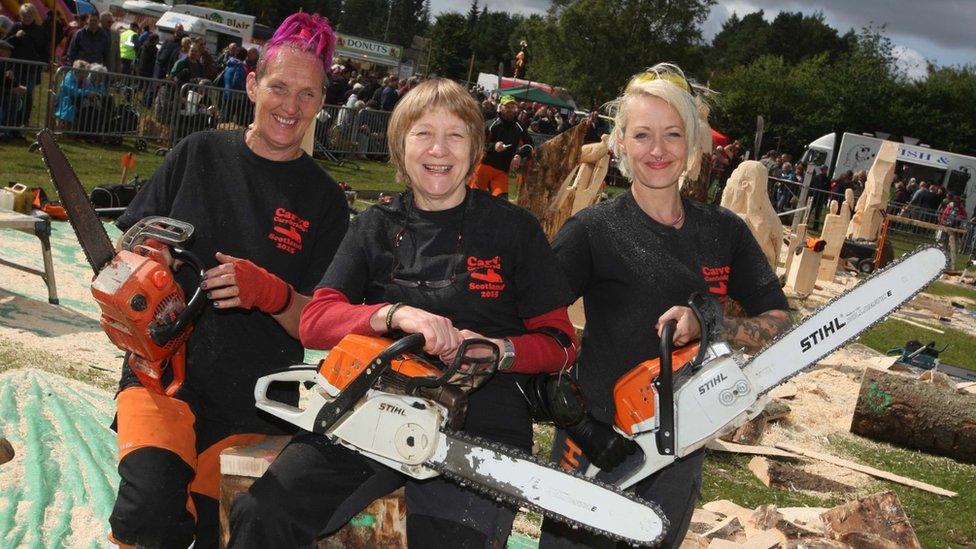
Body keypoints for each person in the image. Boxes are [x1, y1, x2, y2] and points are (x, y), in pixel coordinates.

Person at [228, 77, 579, 547]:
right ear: (400, 145)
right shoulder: (375, 226)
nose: (439, 149)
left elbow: (561, 343)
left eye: (455, 135)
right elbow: (315, 320)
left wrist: (499, 350)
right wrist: (391, 314)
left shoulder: (513, 229)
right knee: (263, 513)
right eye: (423, 134)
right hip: (375, 406)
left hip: (479, 421)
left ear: (476, 148)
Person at [105, 12, 349, 549]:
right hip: (162, 376)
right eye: (279, 87)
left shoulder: (326, 201)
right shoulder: (198, 154)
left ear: (321, 103)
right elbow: (126, 247)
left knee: (226, 533)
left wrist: (274, 293)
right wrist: (147, 261)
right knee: (147, 512)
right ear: (252, 83)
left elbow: (320, 323)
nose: (290, 106)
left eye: (307, 95)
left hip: (254, 401)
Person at [544, 62, 791, 549]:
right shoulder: (593, 231)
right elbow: (536, 324)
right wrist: (575, 419)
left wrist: (711, 323)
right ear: (621, 145)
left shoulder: (724, 231)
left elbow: (780, 319)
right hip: (595, 434)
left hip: (681, 445)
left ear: (694, 144)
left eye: (672, 134)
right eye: (642, 135)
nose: (657, 150)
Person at [468, 95, 533, 198]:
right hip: (484, 166)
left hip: (503, 170)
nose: (510, 110)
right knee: (473, 197)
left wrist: (519, 156)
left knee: (502, 200)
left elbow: (529, 145)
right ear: (501, 107)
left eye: (512, 107)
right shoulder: (491, 124)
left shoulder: (520, 127)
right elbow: (478, 142)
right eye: (507, 107)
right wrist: (493, 146)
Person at [4, 3, 47, 128]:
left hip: (31, 70)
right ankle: (9, 123)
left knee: (27, 96)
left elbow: (45, 50)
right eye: (24, 16)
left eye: (29, 16)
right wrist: (15, 37)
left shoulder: (40, 31)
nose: (26, 18)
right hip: (15, 68)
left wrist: (43, 62)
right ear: (20, 16)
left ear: (33, 16)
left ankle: (23, 123)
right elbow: (4, 44)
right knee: (13, 94)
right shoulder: (15, 27)